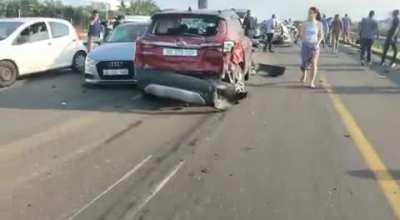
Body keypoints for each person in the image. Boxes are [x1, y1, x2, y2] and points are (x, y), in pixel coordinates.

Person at [299, 7, 323, 88]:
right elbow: (301, 35)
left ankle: (311, 82)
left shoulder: (319, 24)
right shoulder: (304, 23)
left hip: (315, 46)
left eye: (311, 13)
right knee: (304, 63)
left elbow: (321, 35)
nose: (309, 14)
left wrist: (317, 44)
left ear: (315, 14)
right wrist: (305, 40)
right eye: (309, 12)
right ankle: (304, 73)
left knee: (313, 63)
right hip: (306, 45)